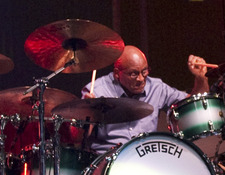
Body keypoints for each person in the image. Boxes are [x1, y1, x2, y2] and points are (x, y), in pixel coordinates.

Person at [81, 45, 209, 154]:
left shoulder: (156, 87)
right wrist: (88, 113)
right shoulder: (97, 90)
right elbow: (77, 138)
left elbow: (195, 105)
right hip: (107, 162)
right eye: (134, 74)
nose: (141, 79)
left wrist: (201, 78)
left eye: (144, 71)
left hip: (146, 159)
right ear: (116, 73)